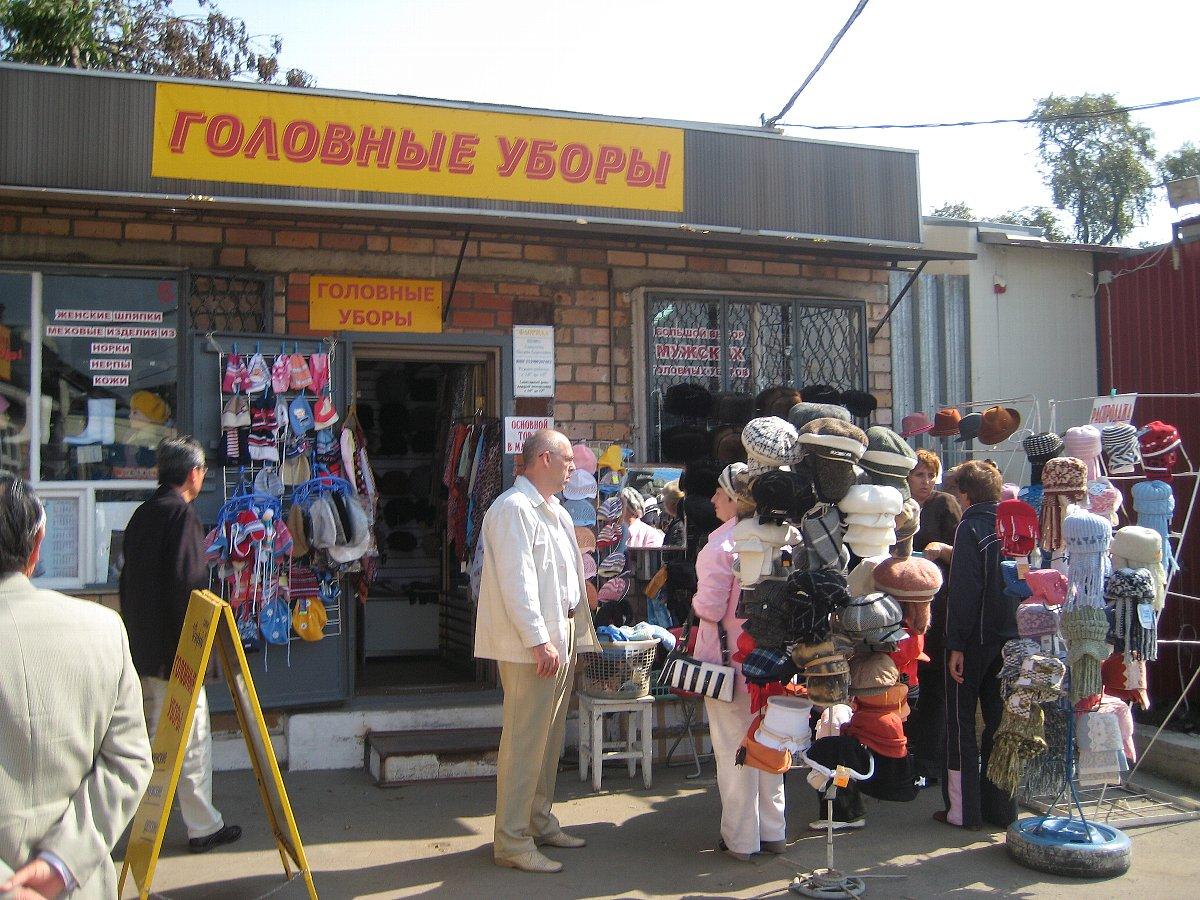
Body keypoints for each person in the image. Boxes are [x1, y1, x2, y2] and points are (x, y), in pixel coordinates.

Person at [0, 476, 153, 898]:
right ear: (37, 546)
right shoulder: (102, 629)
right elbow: (129, 761)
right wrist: (60, 863)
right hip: (76, 886)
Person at [474, 429, 601, 874]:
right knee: (525, 741)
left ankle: (538, 820)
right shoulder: (513, 509)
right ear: (544, 459)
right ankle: (512, 840)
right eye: (567, 460)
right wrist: (537, 640)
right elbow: (518, 583)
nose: (573, 468)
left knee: (548, 739)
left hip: (559, 633)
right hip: (533, 644)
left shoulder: (554, 510)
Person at [120, 437, 242, 854]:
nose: (203, 476)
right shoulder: (182, 517)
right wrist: (193, 653)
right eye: (203, 470)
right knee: (189, 741)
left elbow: (129, 582)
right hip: (177, 654)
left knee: (156, 740)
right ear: (193, 474)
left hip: (146, 650)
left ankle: (161, 821)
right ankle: (198, 826)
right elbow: (189, 589)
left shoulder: (143, 514)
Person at [692, 463, 786, 861]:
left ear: (736, 498)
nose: (714, 499)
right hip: (772, 663)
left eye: (720, 492)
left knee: (733, 749)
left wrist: (695, 601)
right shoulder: (779, 537)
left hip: (729, 665)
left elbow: (710, 609)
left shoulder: (720, 547)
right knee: (769, 745)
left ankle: (741, 839)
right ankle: (773, 831)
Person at [937, 460, 1018, 831]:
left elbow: (964, 590)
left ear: (965, 493)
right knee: (1000, 725)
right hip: (1010, 638)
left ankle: (963, 812)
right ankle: (1002, 809)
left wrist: (956, 643)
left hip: (974, 640)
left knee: (961, 724)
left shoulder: (970, 527)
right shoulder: (1012, 525)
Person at [904, 449, 962, 782]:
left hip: (937, 608)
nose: (925, 482)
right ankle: (903, 756)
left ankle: (930, 762)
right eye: (919, 475)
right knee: (906, 682)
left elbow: (961, 555)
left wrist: (940, 550)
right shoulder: (899, 505)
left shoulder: (943, 504)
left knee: (933, 685)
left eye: (930, 475)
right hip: (902, 608)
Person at [658, 479, 686, 548]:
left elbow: (676, 551)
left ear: (673, 502)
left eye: (665, 497)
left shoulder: (679, 526)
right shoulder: (679, 521)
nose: (663, 500)